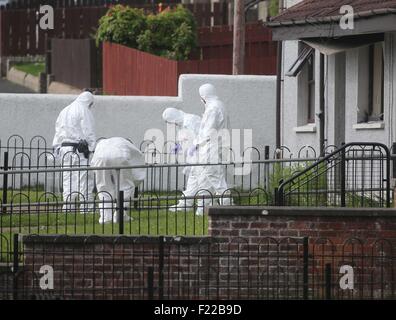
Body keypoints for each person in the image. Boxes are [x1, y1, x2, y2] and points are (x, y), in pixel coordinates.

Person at [190, 83, 232, 216]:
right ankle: (202, 209)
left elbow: (208, 131)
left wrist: (195, 144)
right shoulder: (219, 106)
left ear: (203, 96)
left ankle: (228, 207)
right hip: (213, 146)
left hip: (209, 148)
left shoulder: (213, 108)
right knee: (205, 179)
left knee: (215, 178)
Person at [52, 91, 96, 213]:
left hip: (65, 149)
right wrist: (92, 148)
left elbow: (58, 131)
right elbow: (88, 130)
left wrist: (57, 148)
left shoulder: (64, 111)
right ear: (89, 101)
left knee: (68, 179)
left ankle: (68, 207)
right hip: (80, 150)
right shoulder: (84, 110)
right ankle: (86, 208)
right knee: (84, 178)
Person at [91, 137, 146, 224]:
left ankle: (105, 217)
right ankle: (120, 215)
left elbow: (94, 165)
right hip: (120, 155)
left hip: (100, 156)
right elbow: (138, 162)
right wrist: (134, 181)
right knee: (126, 187)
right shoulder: (128, 144)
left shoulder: (105, 142)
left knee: (104, 188)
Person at [162, 108, 201, 212]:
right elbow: (185, 139)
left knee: (207, 181)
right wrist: (178, 146)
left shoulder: (191, 120)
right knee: (195, 180)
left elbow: (201, 135)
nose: (172, 124)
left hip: (202, 155)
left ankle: (222, 203)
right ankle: (185, 204)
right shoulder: (181, 124)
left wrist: (196, 146)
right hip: (194, 158)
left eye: (170, 122)